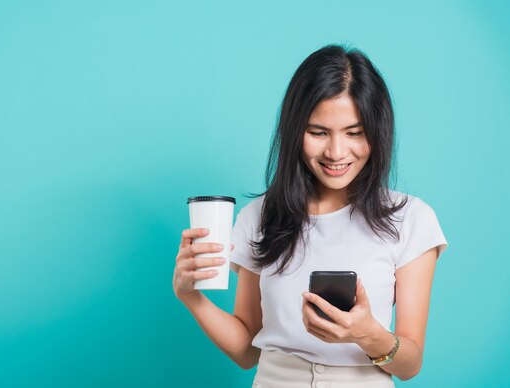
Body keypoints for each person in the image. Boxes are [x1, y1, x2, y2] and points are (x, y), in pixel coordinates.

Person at [172, 44, 448, 387]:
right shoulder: (259, 216)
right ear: (294, 131)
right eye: (318, 132)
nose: (335, 152)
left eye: (354, 133)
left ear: (377, 132)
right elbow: (246, 351)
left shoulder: (411, 219)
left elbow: (410, 364)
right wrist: (190, 296)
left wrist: (368, 335)